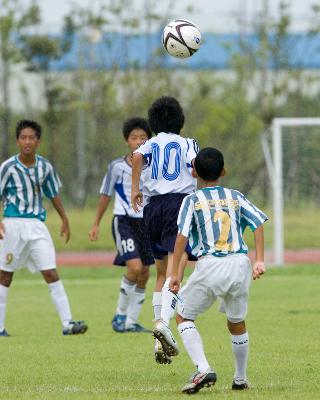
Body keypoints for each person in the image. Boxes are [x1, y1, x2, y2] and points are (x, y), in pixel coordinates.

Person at [169, 147, 268, 394]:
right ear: (223, 171)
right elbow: (257, 224)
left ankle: (203, 368)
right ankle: (240, 378)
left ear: (194, 173)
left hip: (211, 263)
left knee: (183, 315)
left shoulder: (191, 200)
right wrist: (260, 260)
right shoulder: (235, 196)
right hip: (240, 263)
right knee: (236, 322)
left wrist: (174, 274)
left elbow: (181, 238)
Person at [0, 119, 88, 336]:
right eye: (23, 138)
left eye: (32, 138)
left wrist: (64, 219)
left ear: (38, 141)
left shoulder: (45, 167)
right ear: (18, 141)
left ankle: (68, 324)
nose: (27, 142)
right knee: (4, 275)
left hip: (37, 226)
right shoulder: (8, 167)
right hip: (12, 225)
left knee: (50, 272)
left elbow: (53, 194)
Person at [131, 96, 199, 363]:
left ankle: (160, 334)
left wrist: (136, 188)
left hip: (152, 208)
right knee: (176, 270)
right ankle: (163, 325)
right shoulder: (187, 143)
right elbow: (196, 168)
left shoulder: (149, 143)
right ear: (180, 121)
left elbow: (137, 157)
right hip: (179, 205)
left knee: (161, 273)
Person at [89, 117, 154, 333]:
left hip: (146, 223)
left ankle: (131, 321)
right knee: (134, 267)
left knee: (144, 272)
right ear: (127, 140)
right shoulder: (117, 167)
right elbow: (105, 195)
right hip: (124, 221)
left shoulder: (154, 166)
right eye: (134, 137)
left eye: (143, 138)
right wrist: (96, 223)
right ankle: (119, 315)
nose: (138, 141)